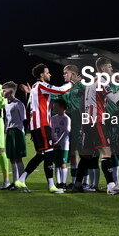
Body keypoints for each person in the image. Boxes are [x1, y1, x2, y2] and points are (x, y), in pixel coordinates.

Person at [72, 58, 119, 194]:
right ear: (103, 68)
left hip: (87, 122)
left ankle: (78, 184)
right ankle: (111, 186)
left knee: (86, 155)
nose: (111, 69)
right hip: (96, 121)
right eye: (109, 67)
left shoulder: (92, 82)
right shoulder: (101, 81)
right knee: (107, 152)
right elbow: (114, 99)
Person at [15, 64, 73, 193]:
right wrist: (71, 83)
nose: (50, 74)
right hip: (41, 124)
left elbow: (30, 106)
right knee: (49, 153)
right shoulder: (41, 85)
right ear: (41, 75)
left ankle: (21, 180)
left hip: (37, 125)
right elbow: (60, 90)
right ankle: (51, 186)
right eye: (47, 72)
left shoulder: (36, 88)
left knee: (41, 154)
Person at [3, 82, 28, 187]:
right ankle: (15, 182)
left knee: (18, 158)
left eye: (4, 90)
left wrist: (24, 134)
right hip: (9, 132)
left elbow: (24, 120)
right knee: (12, 158)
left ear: (11, 91)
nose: (2, 92)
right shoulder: (6, 104)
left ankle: (21, 182)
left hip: (17, 132)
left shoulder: (19, 104)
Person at [49, 99, 71, 190]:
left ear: (62, 107)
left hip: (63, 144)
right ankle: (58, 183)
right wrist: (53, 141)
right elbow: (52, 130)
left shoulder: (66, 118)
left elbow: (66, 131)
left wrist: (58, 141)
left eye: (56, 106)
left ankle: (63, 183)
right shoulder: (53, 118)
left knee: (63, 163)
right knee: (56, 163)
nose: (54, 107)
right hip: (55, 144)